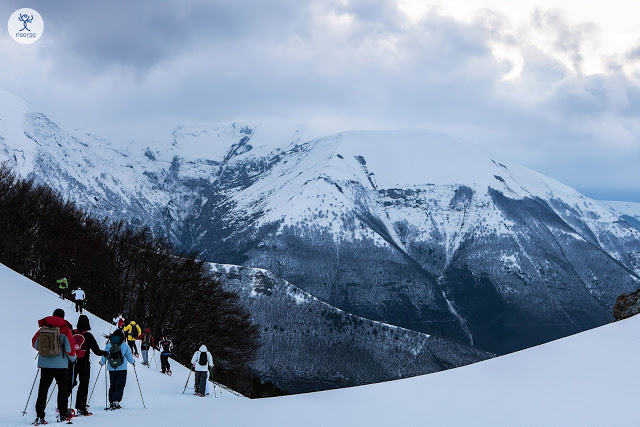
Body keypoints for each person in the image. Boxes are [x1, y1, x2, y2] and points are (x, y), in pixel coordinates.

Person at [31, 308, 77, 425]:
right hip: (61, 366)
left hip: (45, 365)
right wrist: (73, 359)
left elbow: (35, 343)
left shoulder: (43, 328)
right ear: (63, 316)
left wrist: (45, 352)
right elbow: (70, 349)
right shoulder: (66, 329)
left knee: (43, 390)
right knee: (62, 390)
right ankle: (62, 414)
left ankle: (40, 415)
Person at [67, 315, 108, 415]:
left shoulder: (72, 333)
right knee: (83, 385)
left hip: (72, 362)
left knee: (68, 383)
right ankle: (81, 407)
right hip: (84, 363)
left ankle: (62, 405)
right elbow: (97, 351)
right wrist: (105, 353)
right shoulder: (88, 336)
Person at [99, 329, 135, 409]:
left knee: (113, 385)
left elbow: (105, 354)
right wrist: (132, 362)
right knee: (120, 385)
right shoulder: (124, 345)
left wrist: (102, 362)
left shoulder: (109, 345)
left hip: (111, 368)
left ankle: (111, 401)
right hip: (122, 368)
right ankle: (116, 401)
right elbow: (129, 355)